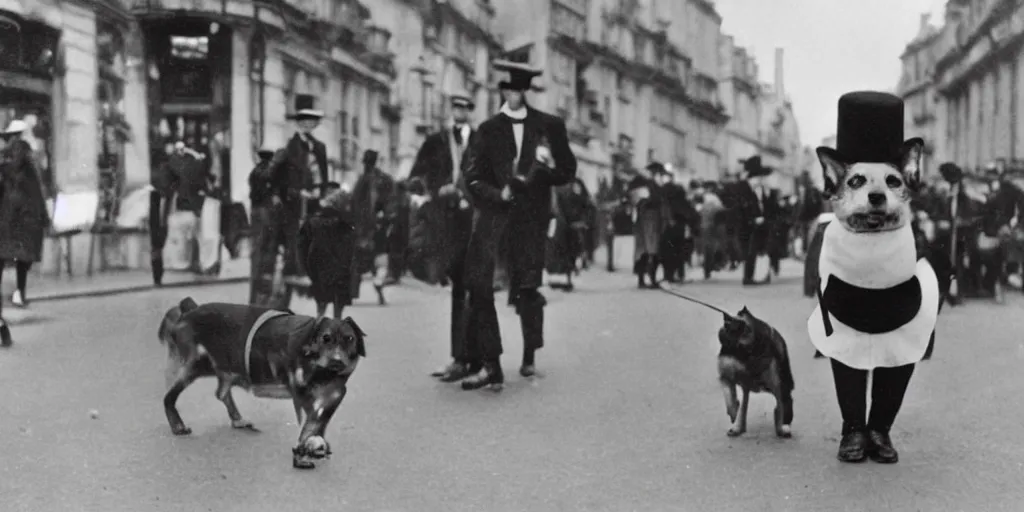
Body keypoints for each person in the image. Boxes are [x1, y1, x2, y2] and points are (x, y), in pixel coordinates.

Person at [458, 59, 577, 390]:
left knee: (527, 289)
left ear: (526, 90)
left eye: (518, 89)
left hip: (531, 220)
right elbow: (472, 177)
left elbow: (567, 169)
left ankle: (528, 357)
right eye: (507, 89)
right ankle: (490, 365)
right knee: (480, 286)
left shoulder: (548, 126)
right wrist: (499, 193)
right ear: (502, 92)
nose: (512, 94)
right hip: (495, 218)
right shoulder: (488, 129)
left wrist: (542, 174)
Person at [410, 92, 482, 382]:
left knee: (474, 289)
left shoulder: (481, 143)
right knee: (457, 290)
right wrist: (434, 192)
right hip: (446, 226)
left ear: (470, 111)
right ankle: (459, 358)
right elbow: (416, 177)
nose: (459, 111)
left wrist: (468, 194)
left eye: (464, 107)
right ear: (451, 110)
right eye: (455, 107)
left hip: (475, 223)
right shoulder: (436, 141)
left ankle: (474, 358)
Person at [269, 94, 329, 283]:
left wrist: (322, 192)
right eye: (303, 120)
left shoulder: (319, 147)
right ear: (298, 123)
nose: (307, 124)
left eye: (311, 121)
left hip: (314, 200)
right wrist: (294, 192)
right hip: (293, 202)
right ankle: (295, 271)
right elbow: (277, 177)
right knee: (295, 235)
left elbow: (323, 173)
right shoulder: (289, 147)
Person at [0, 119, 49, 344]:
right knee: (21, 261)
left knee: (18, 260)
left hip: (15, 220)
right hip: (15, 221)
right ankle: (18, 296)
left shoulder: (16, 160)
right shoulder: (21, 160)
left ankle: (15, 300)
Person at [297, 183, 356, 318]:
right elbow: (351, 246)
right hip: (340, 267)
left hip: (318, 264)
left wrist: (303, 268)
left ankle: (320, 321)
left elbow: (301, 245)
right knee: (338, 302)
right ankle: (336, 323)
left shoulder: (312, 222)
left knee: (321, 300)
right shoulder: (344, 223)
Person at [351, 150, 395, 305]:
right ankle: (379, 288)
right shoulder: (385, 180)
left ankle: (352, 293)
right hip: (379, 226)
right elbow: (391, 203)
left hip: (362, 229)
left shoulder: (361, 180)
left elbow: (353, 204)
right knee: (381, 258)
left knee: (357, 261)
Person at [736, 156, 777, 285]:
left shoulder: (763, 190)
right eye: (758, 178)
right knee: (750, 252)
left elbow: (768, 207)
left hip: (762, 225)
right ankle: (748, 278)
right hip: (748, 226)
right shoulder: (743, 189)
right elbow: (740, 209)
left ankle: (761, 275)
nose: (760, 180)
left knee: (761, 250)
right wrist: (753, 219)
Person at [629, 162, 669, 288]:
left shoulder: (642, 182)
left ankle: (644, 279)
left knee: (644, 250)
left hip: (645, 219)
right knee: (651, 250)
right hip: (650, 219)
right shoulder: (649, 184)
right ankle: (648, 279)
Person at [248, 146, 279, 305]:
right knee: (267, 245)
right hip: (265, 211)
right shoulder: (269, 172)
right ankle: (264, 294)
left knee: (257, 248)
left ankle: (255, 295)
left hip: (255, 210)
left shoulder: (254, 172)